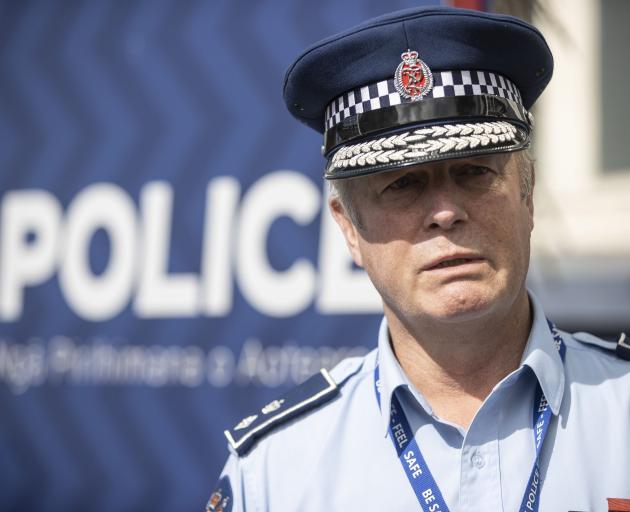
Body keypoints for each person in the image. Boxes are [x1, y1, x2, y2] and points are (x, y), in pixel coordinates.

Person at [207, 6, 630, 512]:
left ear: (528, 192)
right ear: (348, 226)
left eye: (474, 171)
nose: (446, 212)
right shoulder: (274, 472)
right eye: (402, 183)